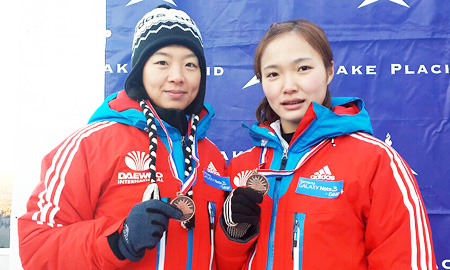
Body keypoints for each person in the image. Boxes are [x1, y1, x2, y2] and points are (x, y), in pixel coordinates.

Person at [18, 5, 228, 270]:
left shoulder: (211, 156)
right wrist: (118, 241)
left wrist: (236, 233)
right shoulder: (90, 145)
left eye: (190, 64)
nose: (177, 77)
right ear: (140, 70)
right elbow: (36, 248)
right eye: (162, 62)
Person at [215, 19, 436, 269]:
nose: (288, 86)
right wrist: (234, 235)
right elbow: (225, 263)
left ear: (329, 70)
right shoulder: (241, 166)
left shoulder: (375, 160)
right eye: (273, 74)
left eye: (303, 68)